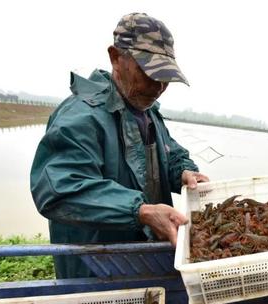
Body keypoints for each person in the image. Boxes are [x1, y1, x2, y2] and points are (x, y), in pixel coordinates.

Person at [30, 12, 209, 279]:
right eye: (149, 73)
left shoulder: (147, 112)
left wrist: (183, 171)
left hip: (144, 260)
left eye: (165, 78)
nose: (158, 87)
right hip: (95, 270)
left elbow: (170, 153)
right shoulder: (80, 118)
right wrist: (139, 211)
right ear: (116, 58)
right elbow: (58, 191)